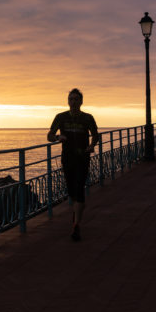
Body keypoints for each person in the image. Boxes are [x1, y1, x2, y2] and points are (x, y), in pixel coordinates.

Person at [48, 88, 99, 241]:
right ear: (68, 101)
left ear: (81, 101)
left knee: (79, 189)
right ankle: (78, 212)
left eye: (77, 99)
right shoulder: (61, 117)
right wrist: (58, 137)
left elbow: (96, 135)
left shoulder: (88, 118)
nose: (74, 102)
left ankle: (76, 225)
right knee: (72, 191)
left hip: (82, 158)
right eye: (71, 99)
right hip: (68, 158)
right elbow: (49, 136)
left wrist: (91, 146)